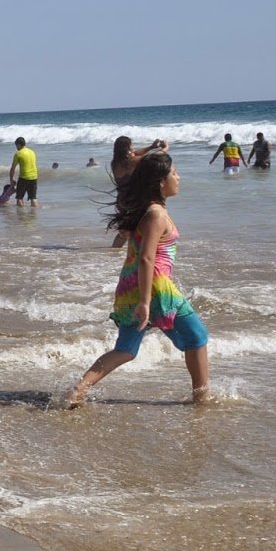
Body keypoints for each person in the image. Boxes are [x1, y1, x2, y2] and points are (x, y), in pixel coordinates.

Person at [63, 152, 210, 406]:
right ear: (161, 182)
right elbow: (146, 258)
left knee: (126, 349)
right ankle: (202, 398)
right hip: (154, 288)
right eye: (174, 173)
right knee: (197, 337)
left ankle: (77, 390)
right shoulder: (156, 214)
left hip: (132, 286)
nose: (179, 177)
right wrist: (145, 301)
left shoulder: (148, 211)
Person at [8, 137, 39, 206]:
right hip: (34, 177)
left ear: (19, 144)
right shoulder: (32, 152)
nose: (16, 147)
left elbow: (13, 168)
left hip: (24, 177)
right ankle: (34, 214)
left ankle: (21, 215)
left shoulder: (18, 154)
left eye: (16, 145)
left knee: (19, 198)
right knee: (33, 198)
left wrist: (11, 179)